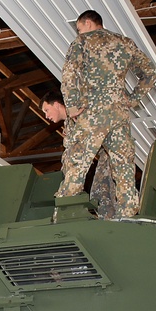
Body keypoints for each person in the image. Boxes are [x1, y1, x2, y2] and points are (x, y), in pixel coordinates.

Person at [56, 10, 156, 218]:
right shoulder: (125, 43)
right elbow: (149, 73)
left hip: (92, 114)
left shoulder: (82, 43)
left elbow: (69, 74)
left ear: (88, 23)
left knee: (77, 163)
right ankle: (128, 212)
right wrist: (133, 99)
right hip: (119, 115)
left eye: (79, 28)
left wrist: (72, 106)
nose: (78, 33)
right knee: (124, 166)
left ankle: (65, 211)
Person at [41, 89, 115, 219]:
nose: (46, 116)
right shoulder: (69, 124)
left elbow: (80, 154)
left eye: (47, 110)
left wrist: (70, 186)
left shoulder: (79, 113)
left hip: (109, 154)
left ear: (57, 105)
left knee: (101, 194)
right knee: (99, 196)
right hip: (102, 156)